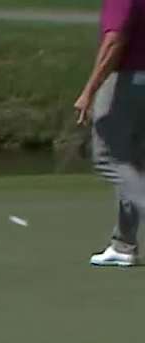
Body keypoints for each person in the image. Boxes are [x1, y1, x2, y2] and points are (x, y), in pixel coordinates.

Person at [76, 0, 145, 267]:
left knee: (108, 159)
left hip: (125, 82)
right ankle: (124, 244)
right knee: (133, 162)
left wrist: (89, 90)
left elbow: (115, 41)